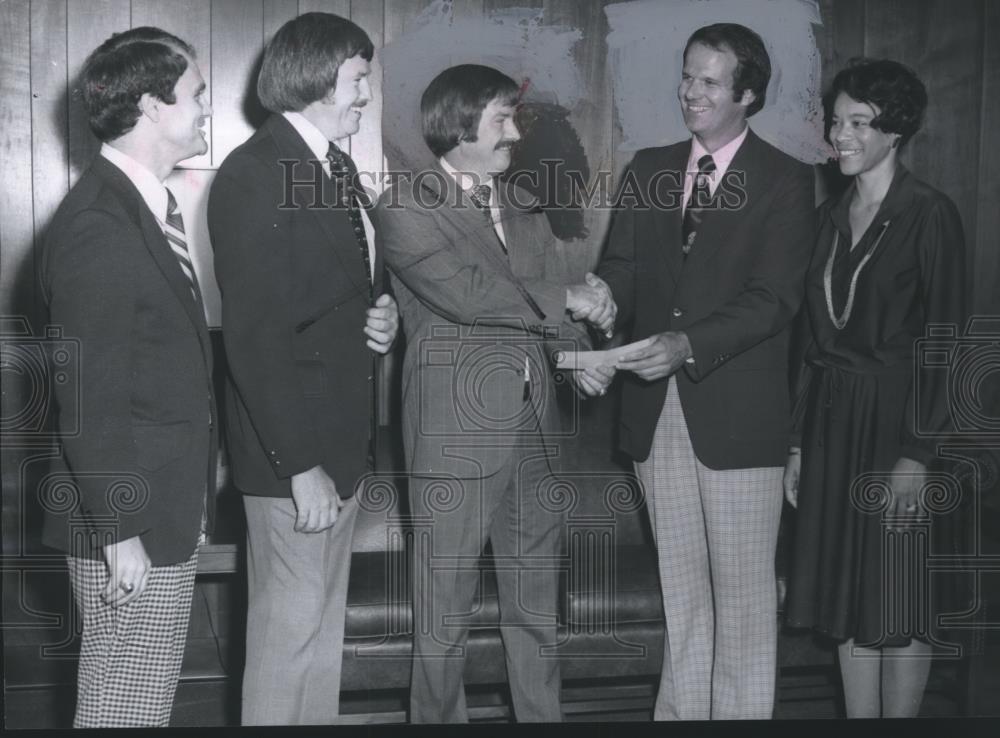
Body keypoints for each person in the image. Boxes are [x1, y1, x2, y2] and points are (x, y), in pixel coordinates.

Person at [376, 64, 614, 723]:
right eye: (502, 119)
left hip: (536, 429)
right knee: (442, 621)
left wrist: (581, 356)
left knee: (536, 613)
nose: (515, 131)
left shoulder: (523, 203)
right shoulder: (405, 204)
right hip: (455, 436)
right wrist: (571, 299)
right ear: (459, 127)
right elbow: (473, 297)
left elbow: (541, 317)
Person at [595, 23, 815, 719]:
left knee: (745, 605)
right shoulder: (650, 167)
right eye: (688, 76)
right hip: (655, 417)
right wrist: (604, 298)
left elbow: (774, 299)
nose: (690, 92)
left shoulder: (786, 181)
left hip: (739, 424)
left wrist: (684, 344)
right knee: (681, 595)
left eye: (710, 82)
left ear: (748, 96)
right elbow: (624, 271)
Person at [207, 12, 398, 725]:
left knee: (320, 641)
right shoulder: (255, 173)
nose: (365, 95)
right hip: (297, 457)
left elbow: (349, 281)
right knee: (287, 645)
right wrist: (300, 465)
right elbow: (255, 339)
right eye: (357, 79)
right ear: (317, 77)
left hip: (340, 446)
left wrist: (385, 313)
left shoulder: (335, 166)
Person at [38, 27, 215, 727]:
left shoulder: (134, 206)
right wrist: (118, 530)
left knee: (132, 702)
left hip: (150, 506)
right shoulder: (101, 224)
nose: (206, 108)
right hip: (128, 517)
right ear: (152, 105)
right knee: (125, 708)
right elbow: (89, 393)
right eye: (197, 94)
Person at [783, 58, 967, 718]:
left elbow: (948, 342)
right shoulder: (830, 215)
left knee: (896, 599)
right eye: (836, 121)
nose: (841, 136)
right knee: (847, 597)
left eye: (859, 122)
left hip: (897, 427)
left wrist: (918, 454)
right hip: (832, 426)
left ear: (896, 130)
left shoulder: (929, 214)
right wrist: (799, 444)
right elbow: (811, 343)